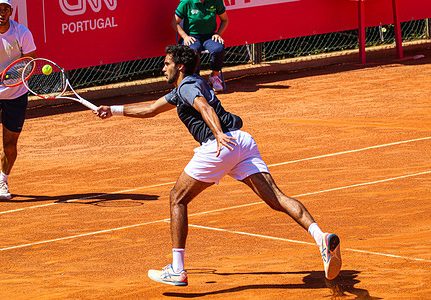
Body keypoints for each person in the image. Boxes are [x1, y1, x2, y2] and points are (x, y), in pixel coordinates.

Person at [95, 44, 342, 286]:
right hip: (242, 142)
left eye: (167, 64)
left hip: (219, 144)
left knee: (177, 198)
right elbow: (150, 109)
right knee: (276, 198)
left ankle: (177, 270)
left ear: (179, 66)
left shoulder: (188, 87)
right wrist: (113, 110)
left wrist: (217, 134)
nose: (163, 68)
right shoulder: (187, 85)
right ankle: (321, 237)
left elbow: (203, 107)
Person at [0, 0, 36, 200]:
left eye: (6, 9)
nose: (2, 13)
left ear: (11, 11)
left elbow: (29, 63)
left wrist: (7, 76)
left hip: (15, 96)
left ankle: (2, 181)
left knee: (9, 144)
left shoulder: (22, 32)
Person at [171, 0, 228, 92]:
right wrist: (185, 37)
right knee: (193, 51)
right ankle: (195, 80)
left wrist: (218, 34)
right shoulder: (186, 2)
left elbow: (225, 19)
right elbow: (174, 22)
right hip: (192, 36)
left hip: (210, 36)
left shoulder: (216, 1)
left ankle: (214, 76)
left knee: (219, 48)